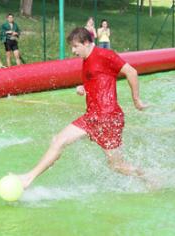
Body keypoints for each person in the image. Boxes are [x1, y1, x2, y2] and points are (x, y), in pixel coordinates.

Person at [18, 27, 148, 189]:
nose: (73, 51)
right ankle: (147, 177)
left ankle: (28, 178)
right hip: (97, 116)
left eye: (75, 46)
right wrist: (84, 87)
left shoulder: (104, 54)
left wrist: (136, 99)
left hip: (106, 116)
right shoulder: (87, 60)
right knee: (113, 164)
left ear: (86, 43)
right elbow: (99, 78)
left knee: (62, 142)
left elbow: (132, 72)